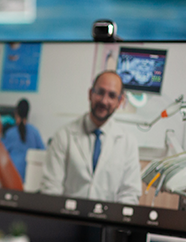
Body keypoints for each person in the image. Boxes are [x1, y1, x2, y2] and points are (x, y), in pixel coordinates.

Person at [39, 71, 142, 204]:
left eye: (112, 95)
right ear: (90, 94)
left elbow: (130, 193)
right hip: (67, 218)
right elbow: (51, 188)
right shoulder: (64, 135)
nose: (104, 101)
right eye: (100, 92)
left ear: (120, 101)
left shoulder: (128, 142)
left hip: (108, 221)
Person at [1, 99, 45, 182]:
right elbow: (43, 151)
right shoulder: (35, 132)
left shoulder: (10, 133)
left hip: (11, 174)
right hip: (29, 176)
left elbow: (1, 152)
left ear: (16, 113)